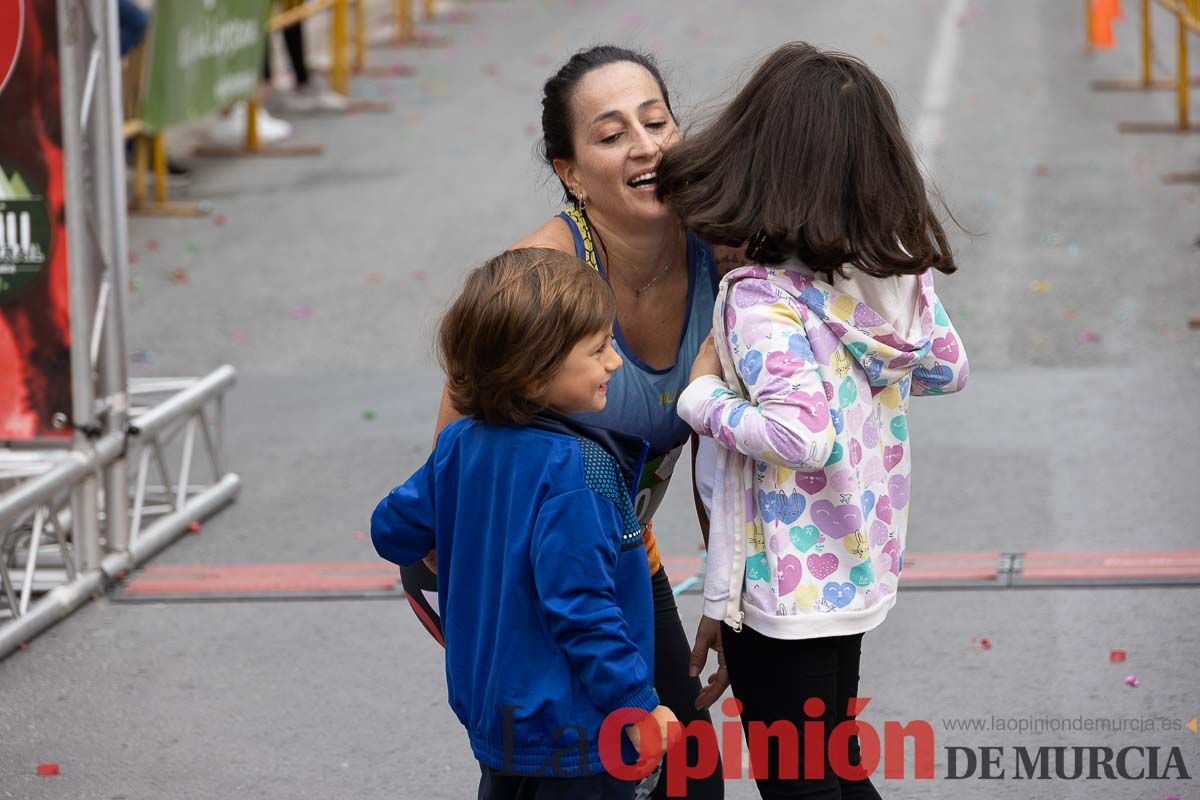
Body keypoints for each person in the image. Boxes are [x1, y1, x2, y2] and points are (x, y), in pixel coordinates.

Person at [401, 45, 733, 799]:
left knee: (687, 769)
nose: (645, 145)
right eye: (611, 135)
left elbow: (727, 450)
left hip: (621, 555)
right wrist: (472, 592)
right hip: (528, 572)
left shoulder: (722, 254)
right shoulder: (537, 279)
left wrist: (727, 599)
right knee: (551, 771)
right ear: (570, 171)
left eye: (656, 122)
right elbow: (452, 457)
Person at [656, 42, 969, 798]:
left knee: (799, 778)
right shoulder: (890, 274)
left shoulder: (762, 297)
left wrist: (699, 399)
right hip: (854, 563)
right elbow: (946, 366)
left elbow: (800, 436)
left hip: (783, 582)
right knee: (831, 761)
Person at [372, 248, 677, 799]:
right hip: (578, 734)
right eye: (599, 348)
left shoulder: (460, 446)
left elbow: (391, 530)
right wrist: (638, 707)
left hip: (497, 723)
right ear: (535, 370)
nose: (614, 362)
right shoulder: (581, 471)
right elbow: (583, 609)